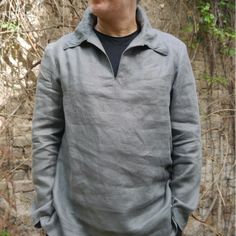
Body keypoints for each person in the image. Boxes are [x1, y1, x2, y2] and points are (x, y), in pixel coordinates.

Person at [31, 0, 202, 235]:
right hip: (73, 226)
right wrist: (46, 212)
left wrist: (177, 216)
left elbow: (186, 138)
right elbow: (45, 137)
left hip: (154, 225)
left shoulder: (171, 53)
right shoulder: (60, 55)